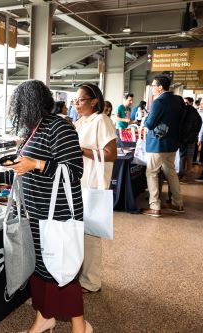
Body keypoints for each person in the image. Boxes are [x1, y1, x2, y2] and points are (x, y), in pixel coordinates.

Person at [0, 80, 92, 333]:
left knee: (62, 270)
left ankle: (80, 326)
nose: (16, 112)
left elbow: (74, 171)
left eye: (18, 106)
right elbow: (23, 171)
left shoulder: (59, 126)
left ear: (29, 104)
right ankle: (45, 317)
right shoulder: (34, 129)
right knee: (41, 268)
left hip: (58, 213)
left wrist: (37, 164)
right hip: (36, 211)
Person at [74, 83, 117, 294]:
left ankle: (91, 281)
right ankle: (80, 274)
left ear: (94, 101)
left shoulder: (102, 120)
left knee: (90, 234)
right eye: (75, 100)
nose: (76, 104)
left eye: (81, 100)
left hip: (92, 184)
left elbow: (111, 153)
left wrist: (82, 150)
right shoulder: (80, 122)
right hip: (78, 183)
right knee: (79, 231)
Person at [141, 75, 184, 218]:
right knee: (170, 172)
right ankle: (177, 203)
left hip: (158, 143)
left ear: (160, 87)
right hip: (172, 143)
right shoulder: (178, 100)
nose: (152, 88)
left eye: (153, 86)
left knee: (151, 172)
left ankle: (155, 206)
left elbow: (150, 124)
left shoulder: (158, 102)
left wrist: (146, 118)